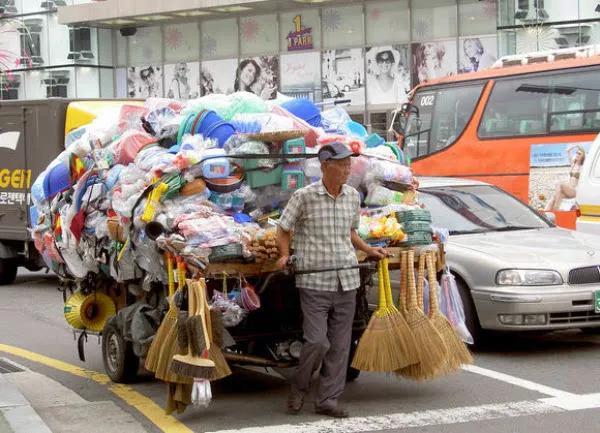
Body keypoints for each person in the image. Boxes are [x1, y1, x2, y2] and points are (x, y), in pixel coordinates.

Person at [276, 142, 386, 419]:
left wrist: (369, 250)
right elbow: (283, 229)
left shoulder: (352, 196)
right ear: (325, 166)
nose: (348, 169)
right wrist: (284, 255)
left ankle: (328, 399)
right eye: (342, 164)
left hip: (347, 279)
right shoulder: (304, 196)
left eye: (350, 164)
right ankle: (300, 387)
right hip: (314, 283)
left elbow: (350, 232)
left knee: (339, 346)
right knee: (316, 342)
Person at [545, 145, 586, 211]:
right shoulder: (573, 164)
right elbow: (568, 151)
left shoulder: (583, 167)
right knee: (554, 198)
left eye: (579, 154)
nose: (577, 154)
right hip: (568, 189)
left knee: (559, 183)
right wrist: (575, 146)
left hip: (574, 191)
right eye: (577, 153)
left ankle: (556, 208)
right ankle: (545, 213)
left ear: (583, 156)